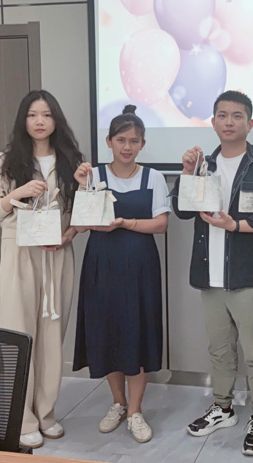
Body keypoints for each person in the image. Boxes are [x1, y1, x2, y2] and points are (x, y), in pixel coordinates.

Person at [170, 90, 253, 456]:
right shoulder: (203, 164)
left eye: (237, 116)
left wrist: (234, 225)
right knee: (219, 350)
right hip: (210, 277)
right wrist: (187, 173)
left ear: (249, 123)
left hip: (248, 276)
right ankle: (222, 408)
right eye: (222, 115)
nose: (229, 122)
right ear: (213, 122)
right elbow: (182, 211)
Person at [0, 90, 83, 448]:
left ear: (56, 120)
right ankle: (22, 418)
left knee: (53, 336)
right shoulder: (5, 161)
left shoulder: (71, 161)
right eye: (33, 115)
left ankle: (46, 413)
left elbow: (83, 213)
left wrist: (69, 234)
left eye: (47, 115)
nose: (40, 121)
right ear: (23, 120)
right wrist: (15, 194)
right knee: (18, 333)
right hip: (19, 253)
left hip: (57, 255)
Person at [72, 105, 169, 443]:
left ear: (142, 144)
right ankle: (118, 403)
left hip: (140, 267)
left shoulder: (153, 177)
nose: (127, 147)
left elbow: (161, 224)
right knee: (107, 333)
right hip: (101, 265)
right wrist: (82, 188)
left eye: (134, 141)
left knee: (136, 333)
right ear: (109, 141)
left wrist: (127, 223)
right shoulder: (92, 175)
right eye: (121, 140)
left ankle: (136, 411)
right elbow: (81, 224)